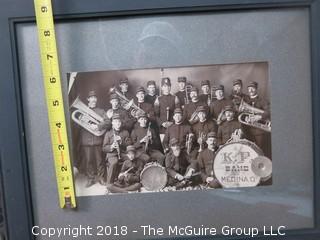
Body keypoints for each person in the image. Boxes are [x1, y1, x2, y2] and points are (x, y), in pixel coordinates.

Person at [78, 90, 106, 187]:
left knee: (100, 161)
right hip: (87, 140)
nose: (93, 99)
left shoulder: (101, 111)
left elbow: (108, 122)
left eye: (95, 97)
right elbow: (77, 125)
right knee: (89, 161)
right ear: (88, 99)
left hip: (98, 140)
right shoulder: (83, 110)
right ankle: (90, 179)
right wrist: (82, 119)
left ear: (96, 99)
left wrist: (98, 126)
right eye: (91, 98)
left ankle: (101, 178)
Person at [243, 81, 271, 156]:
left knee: (260, 151)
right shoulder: (246, 101)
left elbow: (269, 111)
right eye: (249, 88)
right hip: (248, 132)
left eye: (253, 88)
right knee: (250, 152)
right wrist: (245, 118)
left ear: (256, 89)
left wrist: (259, 117)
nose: (251, 90)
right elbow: (242, 114)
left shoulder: (263, 101)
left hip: (259, 132)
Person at [102, 113, 131, 184]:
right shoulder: (108, 133)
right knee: (114, 163)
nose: (117, 123)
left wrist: (121, 142)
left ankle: (123, 180)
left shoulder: (125, 132)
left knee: (131, 160)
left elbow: (129, 143)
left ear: (121, 123)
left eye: (119, 122)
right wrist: (111, 146)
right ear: (112, 123)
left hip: (123, 153)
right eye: (115, 122)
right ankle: (109, 184)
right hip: (112, 154)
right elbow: (104, 148)